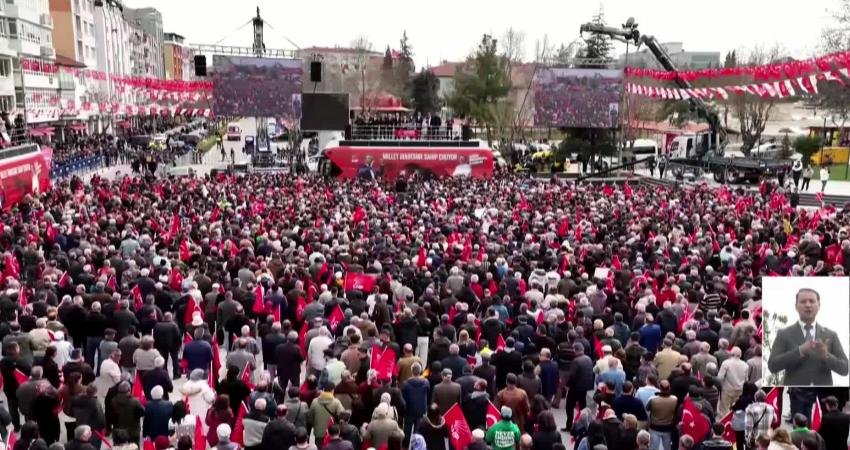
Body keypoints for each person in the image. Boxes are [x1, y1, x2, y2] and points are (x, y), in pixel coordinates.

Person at [767, 288, 849, 386]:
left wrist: (826, 355)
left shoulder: (831, 335)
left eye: (812, 301)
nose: (808, 305)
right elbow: (772, 365)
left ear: (819, 305)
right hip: (796, 393)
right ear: (796, 306)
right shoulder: (784, 334)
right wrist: (799, 351)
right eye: (803, 301)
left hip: (821, 394)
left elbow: (845, 369)